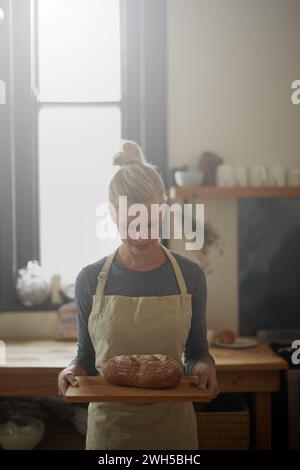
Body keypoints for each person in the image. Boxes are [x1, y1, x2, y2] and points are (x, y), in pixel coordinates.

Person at [58, 140, 219, 450]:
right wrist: (70, 371)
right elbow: (87, 357)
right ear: (111, 214)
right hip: (110, 436)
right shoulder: (90, 280)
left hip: (174, 436)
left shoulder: (190, 276)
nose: (142, 233)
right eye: (131, 221)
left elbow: (196, 350)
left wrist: (204, 369)